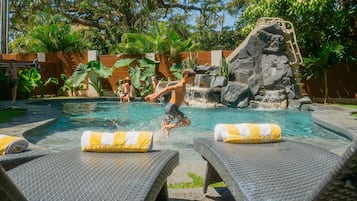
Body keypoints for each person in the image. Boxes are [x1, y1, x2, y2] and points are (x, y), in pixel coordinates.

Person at [148, 69, 196, 136]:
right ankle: (169, 127)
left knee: (163, 130)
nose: (193, 80)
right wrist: (157, 96)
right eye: (192, 78)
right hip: (173, 108)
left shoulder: (181, 84)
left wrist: (185, 101)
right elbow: (168, 88)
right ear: (186, 76)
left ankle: (157, 141)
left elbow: (179, 95)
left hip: (169, 107)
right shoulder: (181, 85)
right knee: (187, 122)